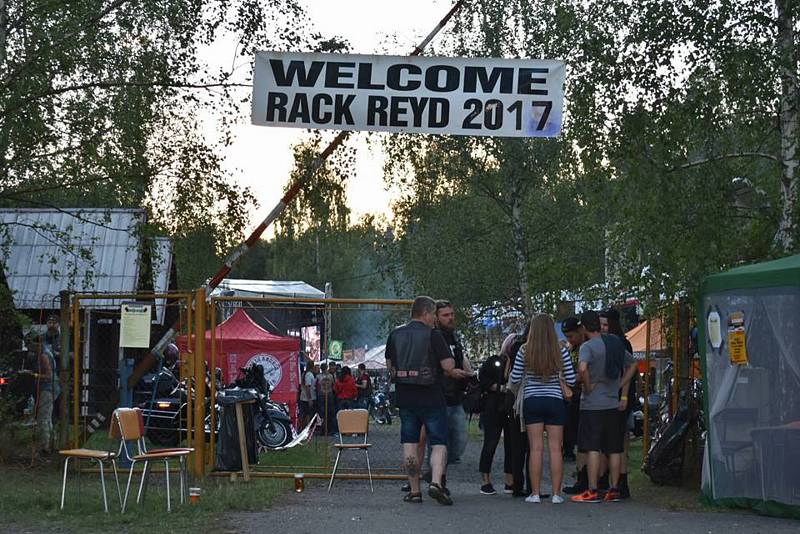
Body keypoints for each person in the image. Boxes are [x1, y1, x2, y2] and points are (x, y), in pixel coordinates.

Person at [385, 296, 471, 506]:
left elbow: (390, 366)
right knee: (440, 443)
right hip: (432, 396)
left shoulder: (395, 334)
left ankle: (415, 491)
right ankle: (435, 483)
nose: (434, 318)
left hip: (406, 398)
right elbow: (448, 365)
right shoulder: (433, 335)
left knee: (410, 444)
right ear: (425, 313)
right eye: (433, 314)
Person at [571, 310, 638, 503]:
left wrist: (588, 384)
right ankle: (615, 489)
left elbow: (583, 368)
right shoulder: (614, 343)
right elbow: (632, 365)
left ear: (584, 327)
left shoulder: (587, 347)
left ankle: (592, 490)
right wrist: (619, 384)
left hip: (592, 404)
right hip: (612, 402)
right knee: (614, 448)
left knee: (593, 447)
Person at [509, 314, 576, 504]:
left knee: (535, 448)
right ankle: (556, 494)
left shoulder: (525, 350)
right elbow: (571, 380)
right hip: (555, 400)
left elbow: (514, 379)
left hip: (532, 400)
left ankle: (535, 493)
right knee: (556, 448)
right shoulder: (561, 351)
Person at [600, 308, 637, 499]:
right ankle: (617, 482)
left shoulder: (619, 344)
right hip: (615, 398)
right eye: (600, 325)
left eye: (605, 324)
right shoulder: (606, 343)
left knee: (617, 443)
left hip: (619, 399)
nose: (603, 328)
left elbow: (628, 371)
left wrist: (622, 396)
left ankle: (620, 483)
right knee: (615, 443)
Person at [433, 300, 471, 465]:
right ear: (436, 317)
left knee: (460, 436)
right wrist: (449, 372)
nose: (450, 318)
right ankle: (437, 469)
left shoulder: (454, 336)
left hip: (456, 394)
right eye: (445, 315)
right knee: (438, 437)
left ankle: (447, 461)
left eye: (451, 314)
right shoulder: (433, 337)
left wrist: (469, 374)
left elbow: (461, 358)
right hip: (440, 394)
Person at [477, 339, 512, 495]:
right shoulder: (494, 361)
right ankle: (485, 479)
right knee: (490, 442)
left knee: (512, 444)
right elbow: (483, 379)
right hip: (493, 406)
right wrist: (500, 388)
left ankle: (510, 480)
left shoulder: (520, 362)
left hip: (511, 407)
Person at [561, 317, 589, 494]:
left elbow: (583, 373)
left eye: (571, 336)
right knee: (574, 435)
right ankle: (581, 475)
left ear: (580, 331)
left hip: (583, 394)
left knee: (584, 440)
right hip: (573, 396)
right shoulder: (573, 348)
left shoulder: (586, 348)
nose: (570, 340)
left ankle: (584, 477)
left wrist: (570, 378)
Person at [31, 342, 59, 457]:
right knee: (47, 418)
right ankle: (51, 443)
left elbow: (49, 375)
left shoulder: (43, 356)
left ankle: (45, 447)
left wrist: (35, 375)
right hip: (50, 388)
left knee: (43, 418)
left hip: (48, 388)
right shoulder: (47, 352)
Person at [316, 364, 336, 435]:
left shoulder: (328, 376)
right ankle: (325, 429)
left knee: (324, 413)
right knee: (325, 413)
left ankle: (326, 429)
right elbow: (334, 384)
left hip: (325, 395)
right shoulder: (329, 376)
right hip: (325, 394)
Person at [299, 363, 317, 428]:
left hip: (304, 397)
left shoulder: (304, 374)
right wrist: (310, 399)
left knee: (305, 414)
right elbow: (308, 387)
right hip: (307, 398)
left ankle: (305, 427)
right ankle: (307, 427)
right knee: (308, 414)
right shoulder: (309, 375)